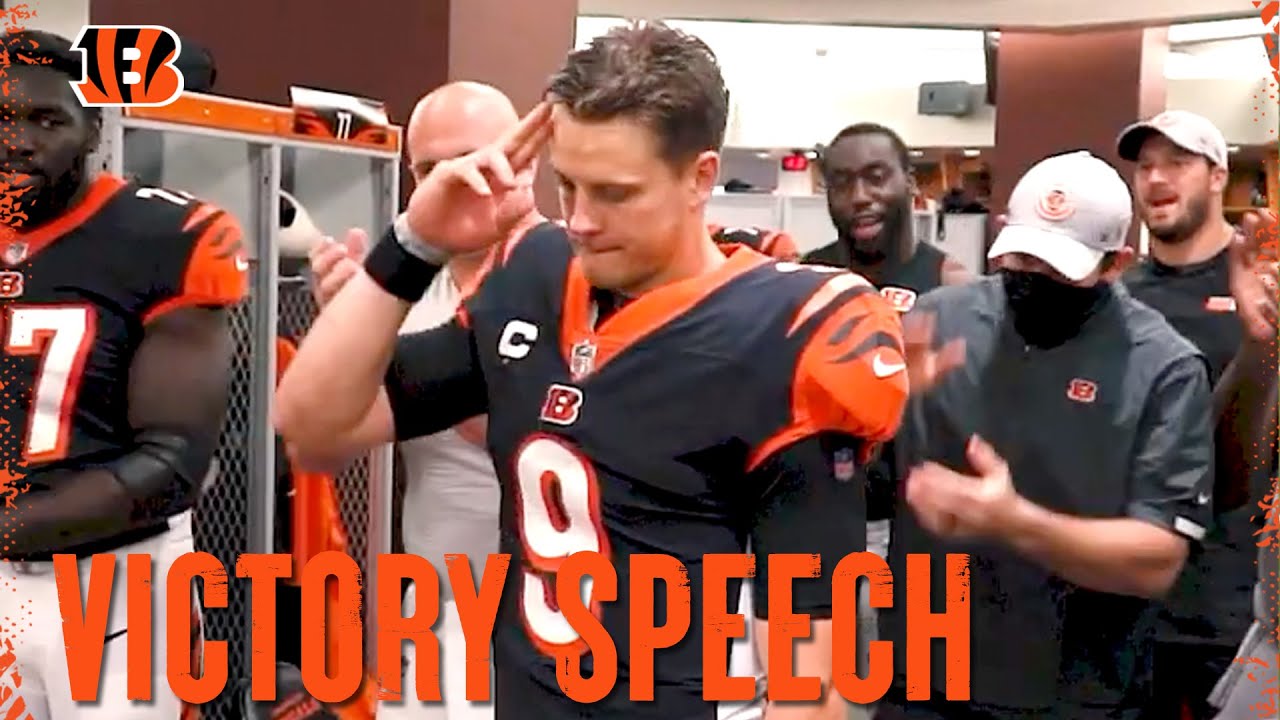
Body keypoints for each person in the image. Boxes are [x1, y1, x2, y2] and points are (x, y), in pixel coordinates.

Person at [276, 20, 912, 720]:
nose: (579, 219)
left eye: (613, 192)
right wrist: (414, 243)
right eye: (568, 185)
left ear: (700, 177)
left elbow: (810, 685)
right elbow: (311, 428)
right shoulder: (535, 276)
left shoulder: (789, 334)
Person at [875, 150, 1220, 720]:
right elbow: (866, 485)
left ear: (1116, 263)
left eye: (1057, 269)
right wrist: (875, 415)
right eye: (1020, 257)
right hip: (925, 676)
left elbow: (1157, 559)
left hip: (1073, 691)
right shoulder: (934, 323)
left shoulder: (1162, 368)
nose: (1030, 279)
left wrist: (1013, 522)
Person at [0, 30, 246, 720]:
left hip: (117, 583)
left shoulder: (161, 236)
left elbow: (172, 464)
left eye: (46, 119)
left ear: (92, 128)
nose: (17, 141)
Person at [308, 81, 537, 720]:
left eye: (473, 158)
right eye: (430, 170)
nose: (454, 181)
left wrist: (382, 352)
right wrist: (351, 334)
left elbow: (520, 433)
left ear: (528, 159)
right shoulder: (415, 281)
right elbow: (336, 438)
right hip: (439, 614)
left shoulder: (566, 270)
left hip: (555, 618)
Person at [1114, 110, 1280, 720]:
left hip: (1230, 604)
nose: (1157, 178)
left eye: (1178, 163)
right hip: (1132, 606)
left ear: (1216, 177)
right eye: (1146, 165)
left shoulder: (1262, 288)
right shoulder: (1119, 296)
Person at [802, 123, 971, 717]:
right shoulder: (805, 281)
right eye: (842, 182)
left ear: (911, 183)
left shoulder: (952, 286)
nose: (860, 197)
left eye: (876, 177)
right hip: (816, 529)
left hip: (913, 538)